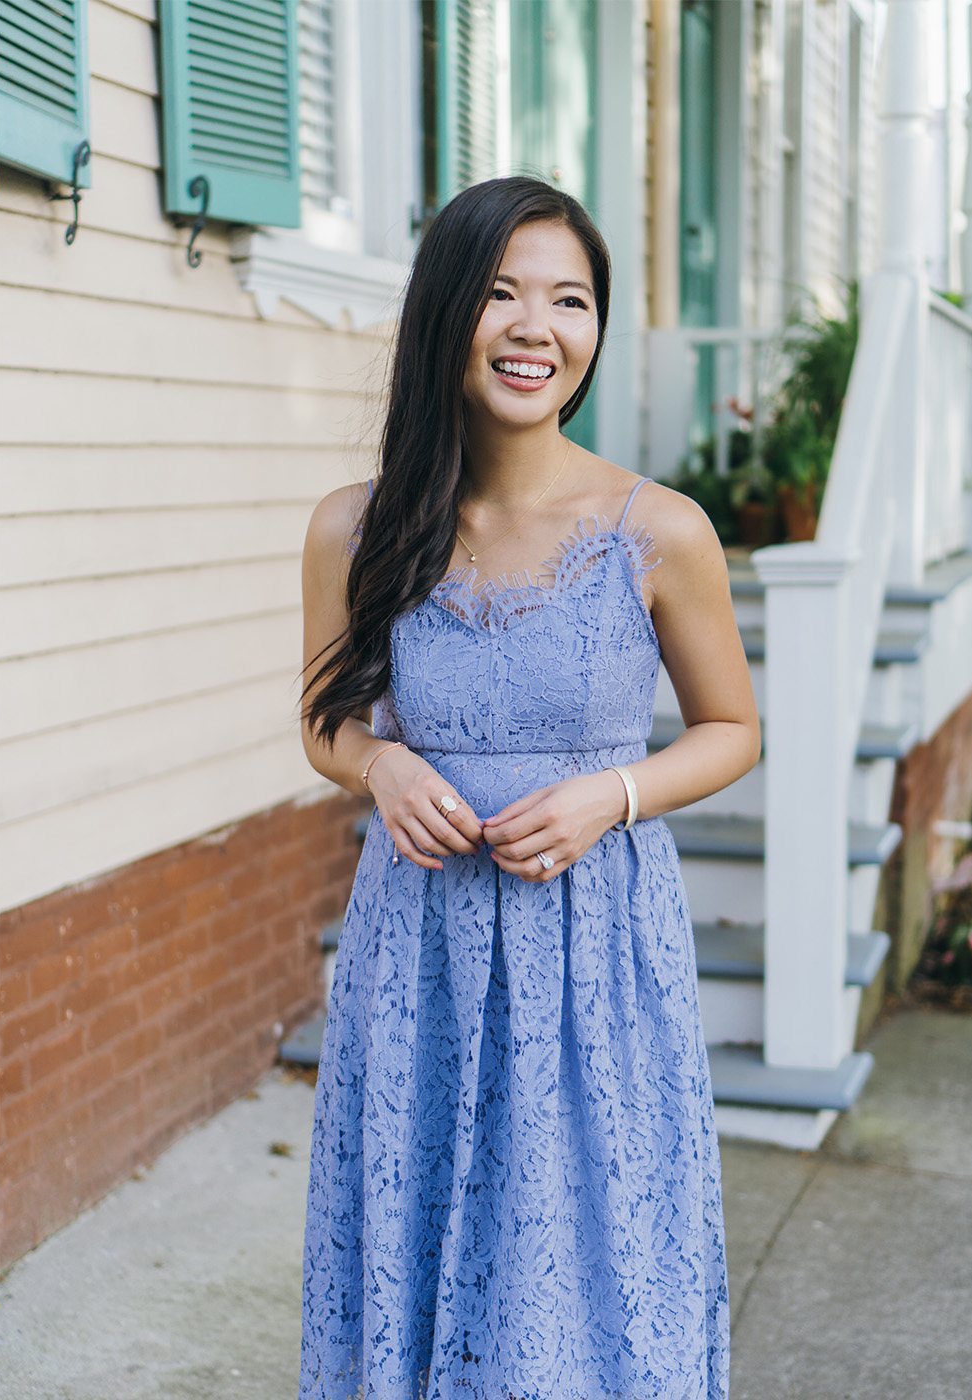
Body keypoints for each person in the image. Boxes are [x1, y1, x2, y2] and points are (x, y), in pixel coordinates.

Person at [297, 176, 760, 1400]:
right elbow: (324, 717)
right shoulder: (357, 525)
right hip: (420, 953)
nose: (533, 327)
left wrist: (610, 792)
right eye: (499, 292)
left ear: (595, 330)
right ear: (446, 312)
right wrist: (381, 759)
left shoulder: (659, 530)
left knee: (591, 1256)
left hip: (594, 950)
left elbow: (730, 729)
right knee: (419, 1229)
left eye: (568, 299)